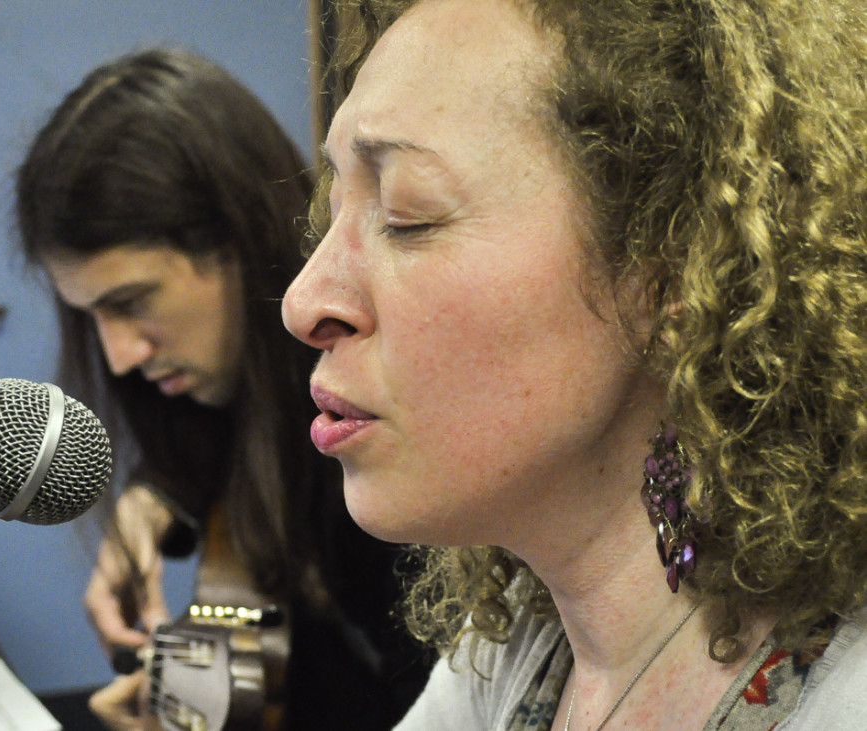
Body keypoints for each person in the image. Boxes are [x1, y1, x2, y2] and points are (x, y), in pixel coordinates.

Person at [282, 0, 867, 729]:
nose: (304, 301)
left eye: (409, 217)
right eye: (332, 208)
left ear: (678, 265)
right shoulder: (513, 655)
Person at [14, 48, 431, 730]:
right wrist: (150, 506)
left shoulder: (380, 427)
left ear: (242, 242)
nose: (118, 356)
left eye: (133, 300)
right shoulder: (229, 399)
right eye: (92, 316)